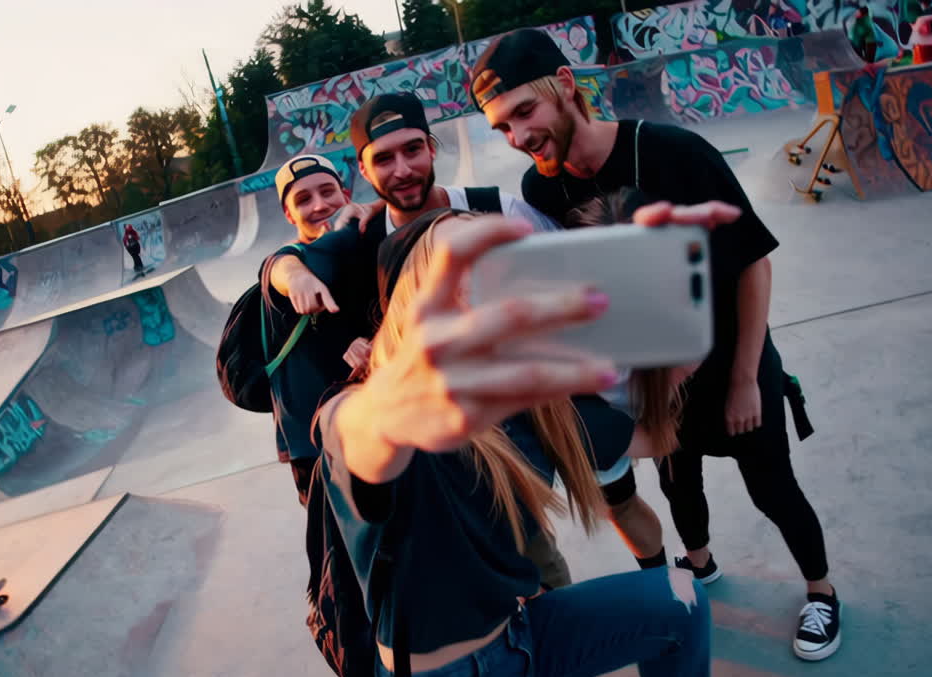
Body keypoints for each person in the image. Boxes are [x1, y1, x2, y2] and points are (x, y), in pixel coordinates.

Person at [316, 208, 815, 677]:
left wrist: (684, 369)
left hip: (521, 636)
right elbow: (357, 432)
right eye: (460, 262)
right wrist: (390, 412)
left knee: (677, 597)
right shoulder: (365, 413)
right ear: (415, 300)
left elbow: (653, 438)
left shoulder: (537, 407)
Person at [471, 28, 842, 661]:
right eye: (502, 128)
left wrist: (748, 377)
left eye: (523, 113)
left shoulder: (672, 151)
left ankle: (821, 591)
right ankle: (698, 567)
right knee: (678, 484)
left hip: (731, 358)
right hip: (653, 376)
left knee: (772, 486)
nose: (518, 137)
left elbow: (753, 262)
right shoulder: (543, 192)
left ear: (565, 86)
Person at [272, 91, 670, 585]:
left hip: (554, 402)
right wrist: (302, 282)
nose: (402, 170)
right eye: (385, 159)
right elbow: (283, 264)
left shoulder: (493, 208)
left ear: (433, 148)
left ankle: (666, 588)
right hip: (484, 434)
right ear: (363, 167)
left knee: (620, 502)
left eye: (413, 150)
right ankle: (564, 636)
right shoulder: (366, 237)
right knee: (527, 547)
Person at [261, 154, 383, 677]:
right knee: (348, 566)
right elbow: (280, 271)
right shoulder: (291, 262)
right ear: (289, 215)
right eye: (302, 199)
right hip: (316, 450)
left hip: (371, 427)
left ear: (345, 189)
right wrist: (299, 275)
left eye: (326, 190)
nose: (318, 205)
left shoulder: (359, 241)